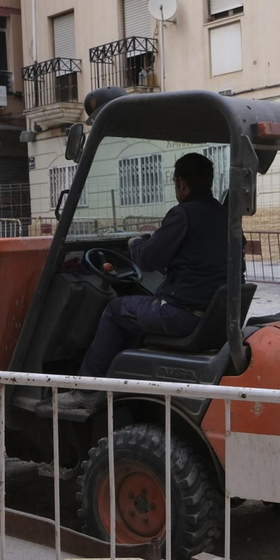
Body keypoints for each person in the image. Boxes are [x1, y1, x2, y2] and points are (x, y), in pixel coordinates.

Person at [53, 154, 228, 413]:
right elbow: (193, 255)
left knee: (115, 310)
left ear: (181, 183)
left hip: (182, 313)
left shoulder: (183, 214)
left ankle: (86, 392)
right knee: (135, 309)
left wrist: (135, 243)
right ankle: (120, 378)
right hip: (213, 314)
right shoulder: (223, 215)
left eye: (175, 183)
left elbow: (147, 259)